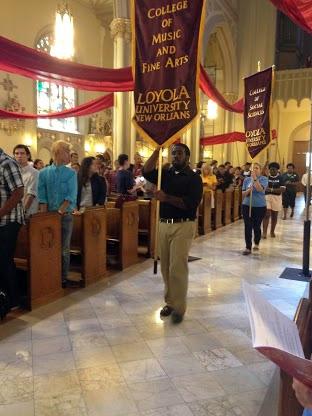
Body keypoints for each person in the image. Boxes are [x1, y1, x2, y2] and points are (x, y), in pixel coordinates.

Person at [143, 144, 203, 324]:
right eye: (173, 153)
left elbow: (190, 204)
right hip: (163, 224)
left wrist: (166, 198)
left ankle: (179, 308)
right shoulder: (165, 174)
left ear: (187, 156)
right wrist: (156, 150)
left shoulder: (193, 178)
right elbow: (146, 171)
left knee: (177, 266)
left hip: (183, 226)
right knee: (166, 266)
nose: (176, 156)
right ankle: (170, 301)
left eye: (179, 153)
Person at [38, 140, 78, 288]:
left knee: (63, 249)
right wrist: (43, 218)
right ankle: (49, 274)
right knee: (48, 247)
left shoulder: (71, 174)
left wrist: (59, 212)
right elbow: (42, 198)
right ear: (58, 153)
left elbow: (71, 196)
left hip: (65, 217)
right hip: (48, 217)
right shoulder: (43, 173)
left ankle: (63, 277)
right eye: (67, 151)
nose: (70, 154)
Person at [0, 147, 25, 310]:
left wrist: (0, 213)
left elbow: (19, 192)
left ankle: (13, 299)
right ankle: (4, 296)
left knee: (4, 259)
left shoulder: (7, 163)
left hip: (9, 220)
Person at [241, 163, 268, 255]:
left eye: (257, 168)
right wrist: (249, 190)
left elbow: (260, 189)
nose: (255, 170)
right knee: (247, 226)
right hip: (247, 205)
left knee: (256, 226)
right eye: (253, 168)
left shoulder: (264, 179)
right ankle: (248, 247)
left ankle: (256, 242)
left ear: (260, 170)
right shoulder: (246, 180)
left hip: (259, 206)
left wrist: (255, 179)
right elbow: (243, 194)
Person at [13, 144, 39, 218]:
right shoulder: (14, 172)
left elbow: (31, 195)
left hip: (27, 213)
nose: (19, 156)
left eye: (22, 153)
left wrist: (22, 213)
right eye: (17, 153)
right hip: (14, 213)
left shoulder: (34, 172)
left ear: (28, 156)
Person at [262, 162, 285, 239]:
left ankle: (272, 231)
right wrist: (265, 164)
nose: (272, 171)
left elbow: (282, 190)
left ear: (277, 170)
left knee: (274, 216)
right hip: (267, 197)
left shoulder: (281, 178)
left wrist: (271, 189)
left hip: (277, 198)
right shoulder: (266, 177)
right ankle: (264, 232)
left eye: (274, 170)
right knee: (266, 214)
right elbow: (262, 174)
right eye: (271, 170)